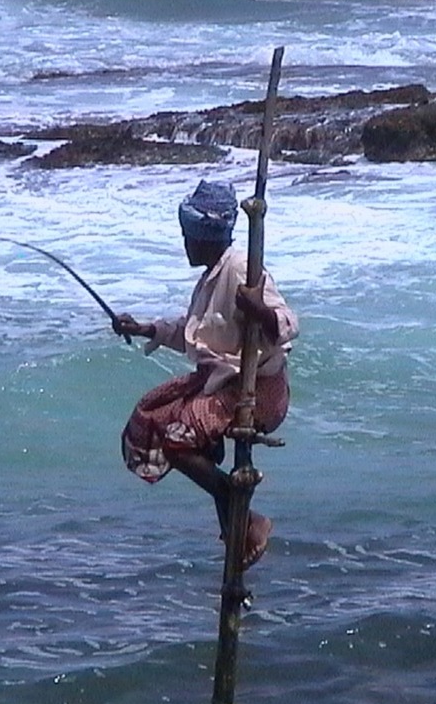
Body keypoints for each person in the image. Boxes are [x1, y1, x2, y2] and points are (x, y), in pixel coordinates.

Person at [112, 180, 298, 569]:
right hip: (224, 382)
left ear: (207, 236)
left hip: (255, 389)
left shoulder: (241, 268)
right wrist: (146, 329)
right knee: (152, 414)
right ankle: (236, 528)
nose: (185, 245)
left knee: (177, 439)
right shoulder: (214, 272)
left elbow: (287, 321)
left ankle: (242, 512)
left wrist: (260, 311)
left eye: (189, 237)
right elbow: (199, 332)